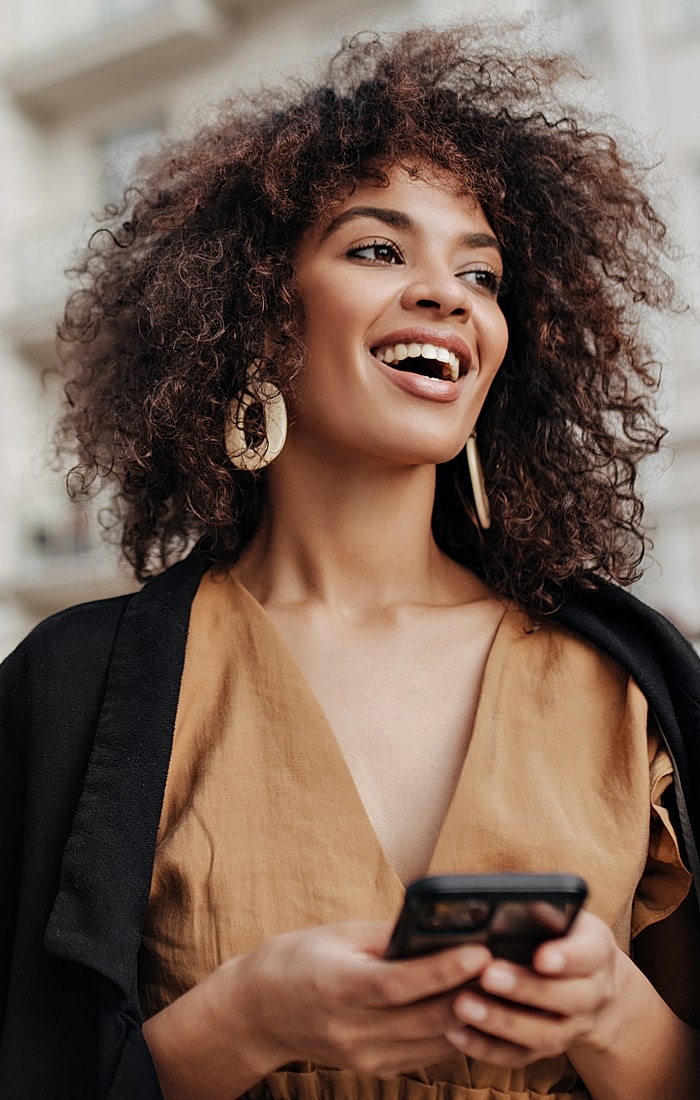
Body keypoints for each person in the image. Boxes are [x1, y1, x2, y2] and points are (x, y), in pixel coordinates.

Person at [1, 20, 700, 1100]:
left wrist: (611, 1008)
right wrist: (245, 1017)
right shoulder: (67, 688)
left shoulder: (626, 682)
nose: (449, 294)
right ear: (255, 314)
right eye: (378, 249)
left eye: (482, 273)